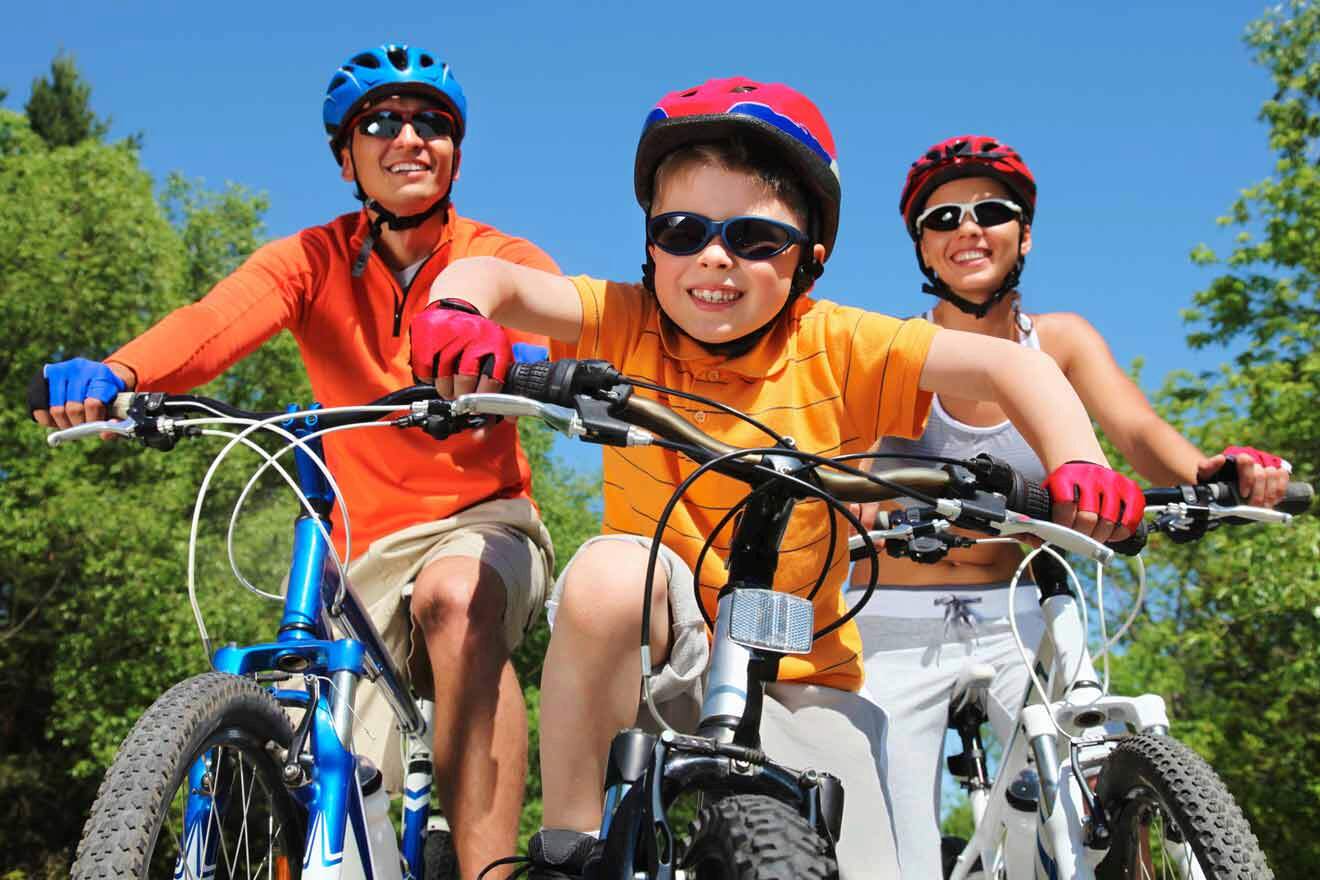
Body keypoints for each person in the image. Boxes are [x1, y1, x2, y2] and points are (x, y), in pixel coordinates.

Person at [408, 79, 1149, 879]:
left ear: (811, 259)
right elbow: (497, 278)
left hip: (804, 673)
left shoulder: (843, 343)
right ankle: (572, 847)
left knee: (871, 867)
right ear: (651, 246)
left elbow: (1010, 366)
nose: (714, 257)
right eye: (683, 232)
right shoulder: (624, 320)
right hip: (662, 651)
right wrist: (457, 308)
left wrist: (1080, 461)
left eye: (755, 238)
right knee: (608, 573)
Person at [29, 43, 558, 879]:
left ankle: (489, 872)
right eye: (381, 122)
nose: (409, 137)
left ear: (455, 149)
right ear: (345, 155)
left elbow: (544, 321)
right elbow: (213, 322)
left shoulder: (495, 256)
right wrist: (121, 375)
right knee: (348, 788)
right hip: (362, 551)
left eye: (433, 123)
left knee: (456, 603)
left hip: (480, 523)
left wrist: (503, 353)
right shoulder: (311, 261)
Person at [845, 134, 1292, 879]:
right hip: (895, 621)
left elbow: (1140, 433)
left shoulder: (1064, 341)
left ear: (1025, 234)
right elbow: (849, 473)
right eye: (943, 218)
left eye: (992, 210)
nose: (968, 229)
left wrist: (1213, 470)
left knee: (1079, 785)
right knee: (895, 857)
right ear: (922, 249)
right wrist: (858, 511)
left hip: (1019, 610)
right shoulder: (891, 350)